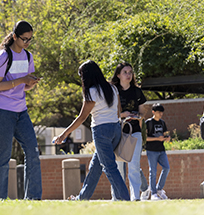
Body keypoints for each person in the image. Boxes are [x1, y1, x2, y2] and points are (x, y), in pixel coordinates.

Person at [54, 60, 130, 201]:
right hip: (115, 129)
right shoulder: (112, 88)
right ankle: (82, 198)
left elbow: (82, 117)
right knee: (95, 167)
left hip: (101, 131)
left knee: (109, 167)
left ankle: (126, 199)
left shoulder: (91, 92)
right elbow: (119, 111)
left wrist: (65, 133)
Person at [0, 21, 42, 200]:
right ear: (15, 37)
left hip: (21, 110)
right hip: (2, 111)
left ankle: (33, 198)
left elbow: (24, 87)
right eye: (24, 39)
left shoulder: (27, 56)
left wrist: (30, 84)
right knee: (3, 155)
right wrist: (21, 80)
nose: (27, 42)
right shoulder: (4, 56)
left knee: (32, 150)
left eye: (30, 40)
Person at [110, 61, 148, 201]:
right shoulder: (113, 91)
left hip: (134, 131)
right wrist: (122, 115)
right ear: (118, 75)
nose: (128, 75)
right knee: (118, 166)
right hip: (117, 131)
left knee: (134, 165)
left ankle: (135, 196)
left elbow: (143, 113)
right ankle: (117, 196)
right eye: (125, 72)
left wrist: (137, 116)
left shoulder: (137, 91)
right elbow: (108, 112)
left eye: (130, 72)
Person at [144, 103, 170, 200]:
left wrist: (167, 138)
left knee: (166, 168)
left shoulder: (162, 123)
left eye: (162, 112)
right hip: (151, 150)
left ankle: (159, 189)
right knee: (153, 171)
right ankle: (153, 193)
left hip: (161, 150)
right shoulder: (148, 123)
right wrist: (157, 139)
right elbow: (145, 138)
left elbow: (164, 134)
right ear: (153, 112)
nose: (161, 114)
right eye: (159, 112)